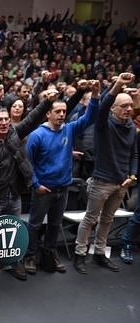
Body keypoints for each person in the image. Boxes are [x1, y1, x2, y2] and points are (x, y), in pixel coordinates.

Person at [0, 89, 58, 281]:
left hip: (14, 195)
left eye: (6, 120)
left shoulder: (14, 134)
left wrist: (47, 102)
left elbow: (33, 118)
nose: (4, 123)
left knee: (13, 234)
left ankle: (11, 263)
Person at [24, 80, 100, 275]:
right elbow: (27, 163)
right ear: (48, 113)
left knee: (55, 225)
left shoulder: (68, 129)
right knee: (34, 224)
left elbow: (89, 118)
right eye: (57, 111)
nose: (61, 114)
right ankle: (30, 255)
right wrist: (35, 184)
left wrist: (95, 96)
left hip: (63, 187)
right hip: (43, 189)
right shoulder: (37, 135)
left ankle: (49, 255)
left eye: (64, 111)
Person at [73, 73, 137, 274]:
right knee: (90, 219)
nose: (128, 109)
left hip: (121, 182)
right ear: (113, 109)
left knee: (108, 220)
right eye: (124, 106)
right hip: (101, 182)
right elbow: (101, 108)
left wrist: (132, 174)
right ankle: (80, 254)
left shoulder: (132, 128)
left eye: (130, 105)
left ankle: (100, 252)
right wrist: (117, 84)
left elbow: (134, 154)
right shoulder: (104, 124)